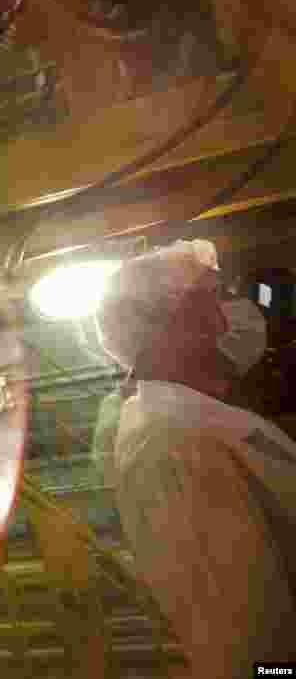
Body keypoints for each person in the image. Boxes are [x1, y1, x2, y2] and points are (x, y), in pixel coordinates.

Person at [94, 239, 296, 676]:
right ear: (169, 322)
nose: (226, 315)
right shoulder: (168, 446)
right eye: (214, 296)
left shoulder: (196, 422)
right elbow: (244, 640)